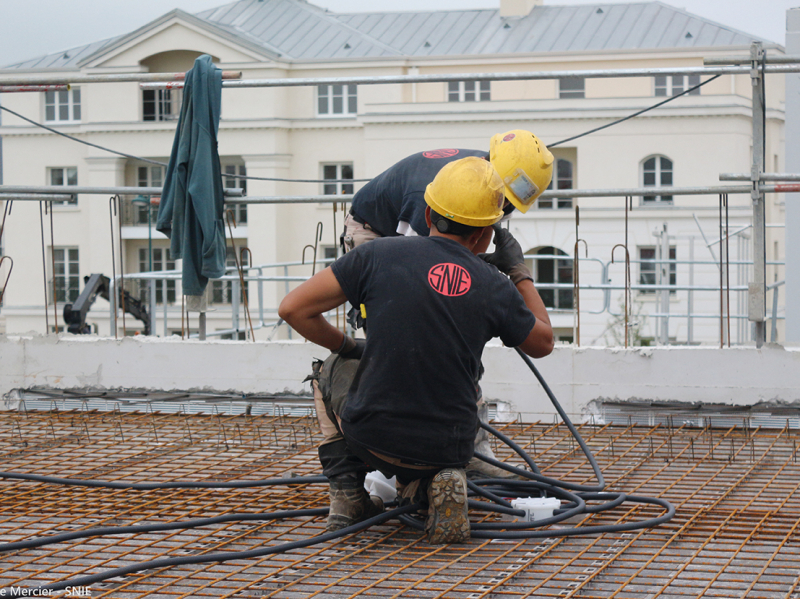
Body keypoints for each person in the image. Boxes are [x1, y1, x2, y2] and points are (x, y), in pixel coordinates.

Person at [279, 156, 554, 544]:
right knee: (445, 413)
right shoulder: (494, 285)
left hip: (371, 437)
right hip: (450, 444)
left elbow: (292, 308)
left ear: (427, 212)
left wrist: (348, 346)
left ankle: (348, 496)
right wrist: (519, 274)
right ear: (486, 235)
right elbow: (544, 343)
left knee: (327, 369)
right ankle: (432, 487)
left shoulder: (376, 255)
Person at [341, 130, 554, 478]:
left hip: (424, 236)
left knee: (453, 334)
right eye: (506, 205)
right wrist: (507, 279)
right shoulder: (434, 190)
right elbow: (421, 275)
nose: (505, 213)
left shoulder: (485, 180)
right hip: (376, 231)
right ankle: (388, 463)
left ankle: (467, 450)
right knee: (426, 334)